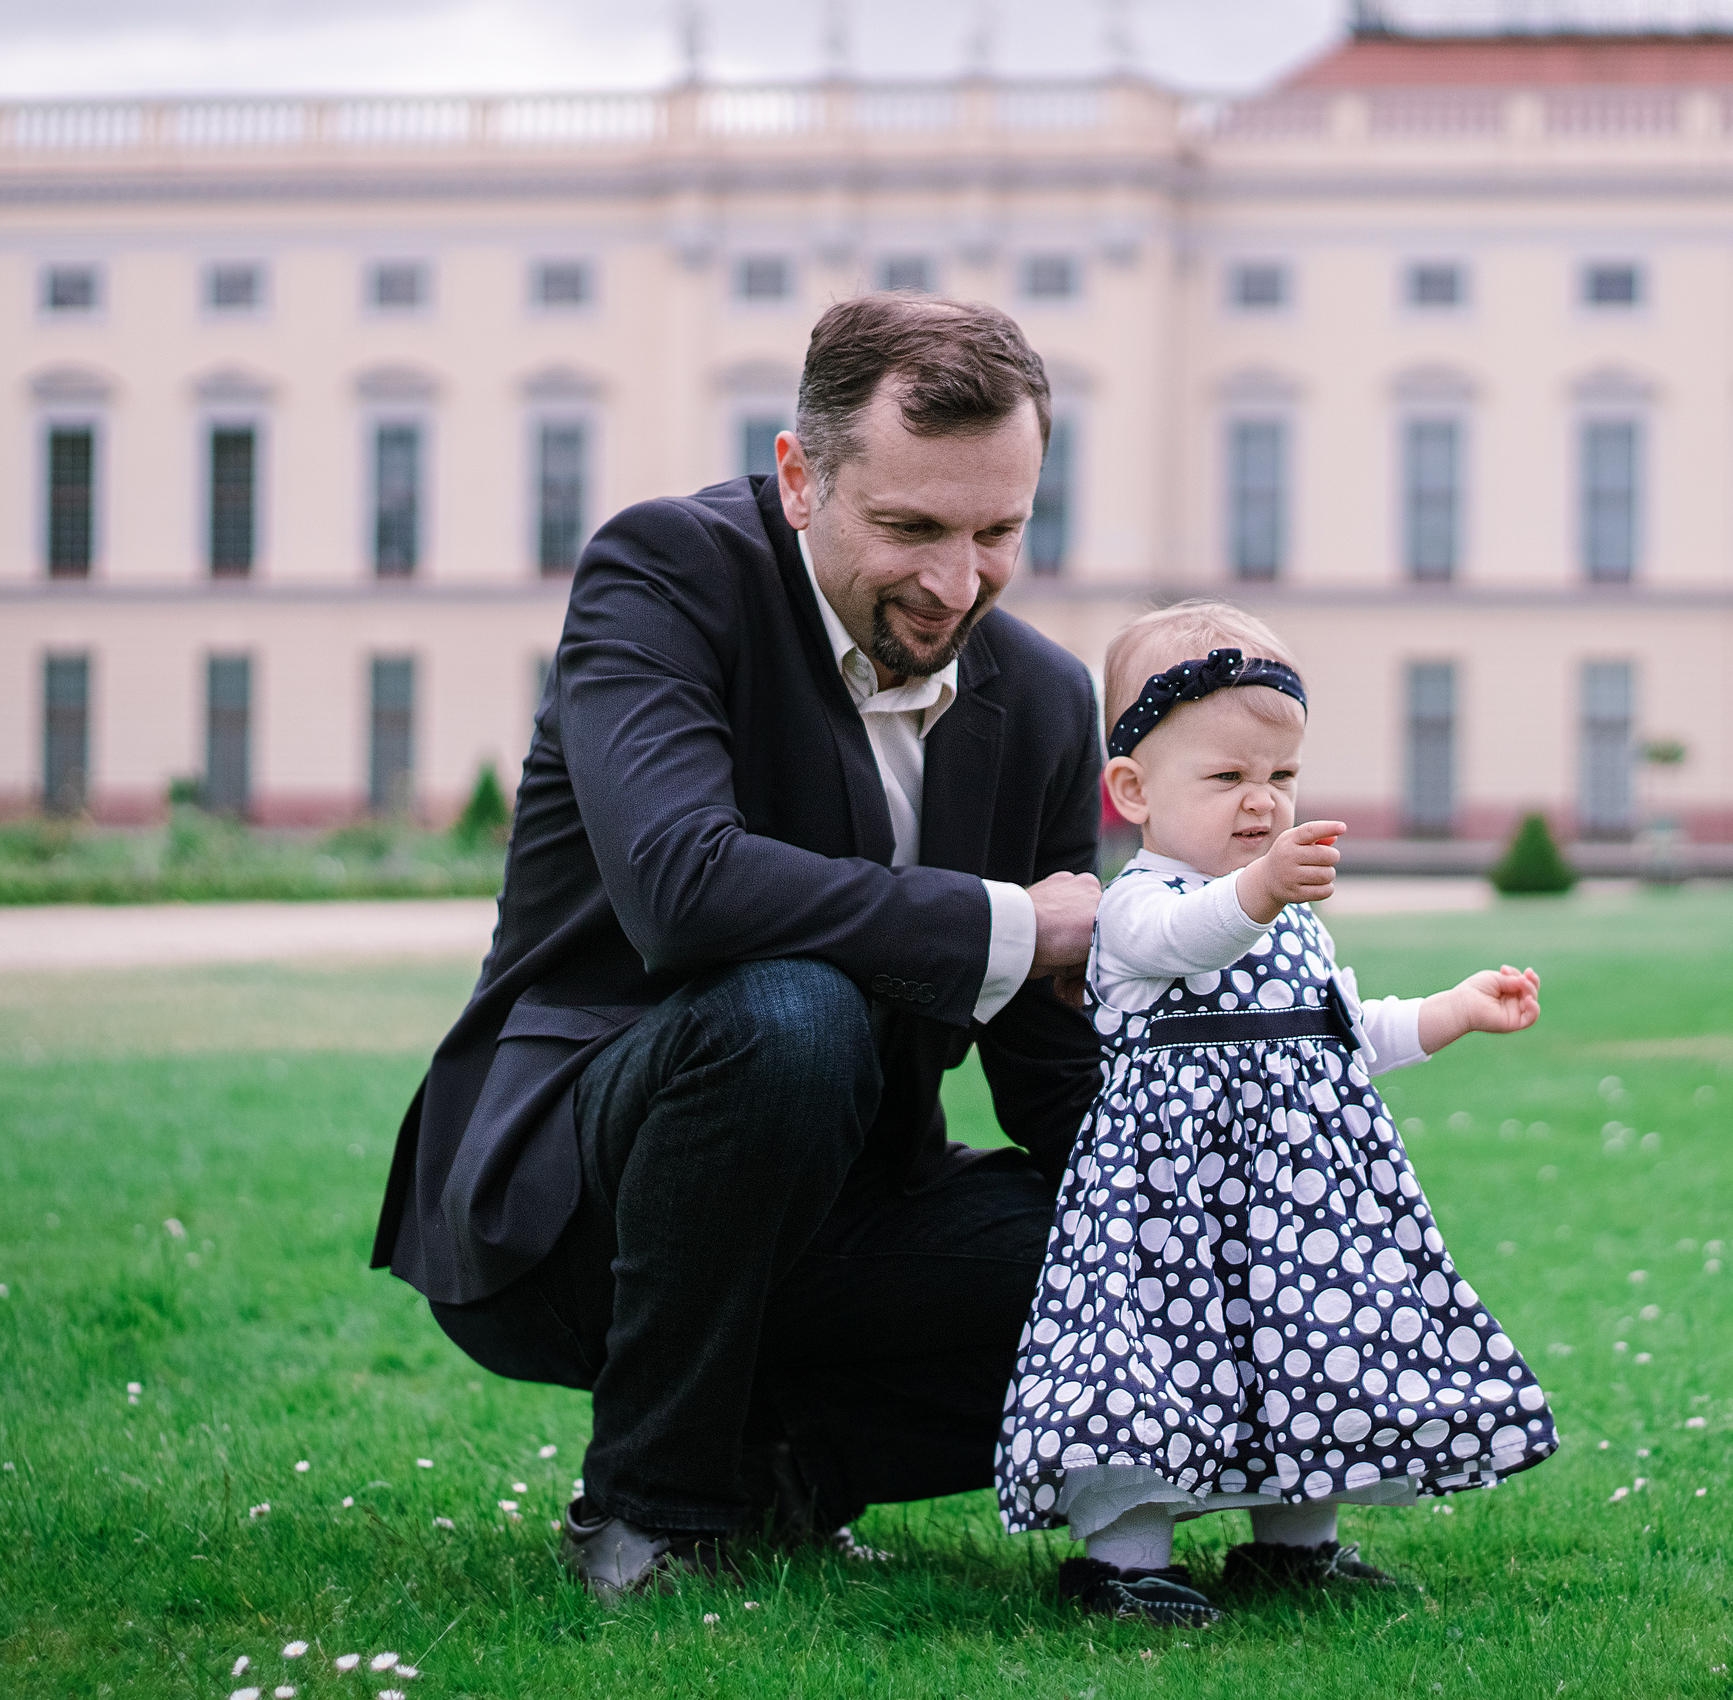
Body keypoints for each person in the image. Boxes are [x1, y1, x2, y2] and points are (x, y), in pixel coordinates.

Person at [369, 293, 1110, 1597]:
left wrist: (1227, 1199)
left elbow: (1051, 1067)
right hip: (570, 1214)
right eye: (910, 528)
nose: (957, 582)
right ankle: (650, 1513)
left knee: (1157, 1238)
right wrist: (1008, 919)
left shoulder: (1045, 699)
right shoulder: (664, 575)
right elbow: (682, 889)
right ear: (797, 476)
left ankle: (786, 1470)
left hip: (851, 1215)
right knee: (791, 1009)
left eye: (999, 531)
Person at [995, 602, 1556, 1625]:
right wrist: (1258, 890)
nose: (1262, 805)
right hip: (1170, 1207)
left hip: (1299, 1204)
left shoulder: (1283, 917)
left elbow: (1343, 1032)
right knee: (1158, 1364)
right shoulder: (1138, 907)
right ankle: (1120, 1562)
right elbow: (1186, 942)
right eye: (1226, 779)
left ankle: (1296, 1546)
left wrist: (1452, 1013)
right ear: (1132, 791)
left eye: (1281, 779)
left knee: (1316, 1346)